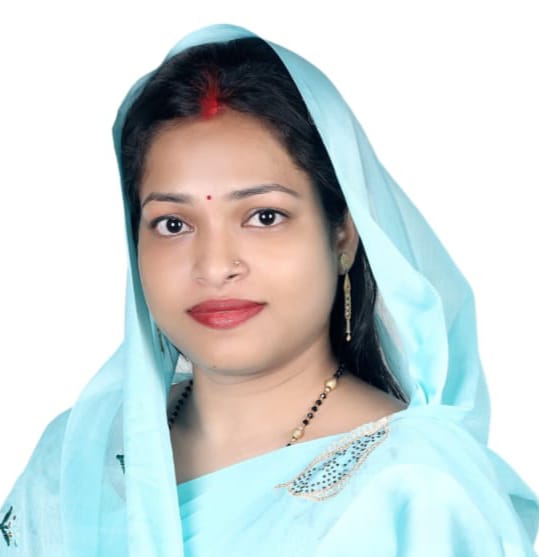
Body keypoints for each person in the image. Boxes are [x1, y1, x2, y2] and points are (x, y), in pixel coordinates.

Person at [1, 23, 537, 557]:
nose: (215, 267)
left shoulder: (416, 486)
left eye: (264, 216)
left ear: (343, 235)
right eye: (173, 224)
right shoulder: (79, 455)